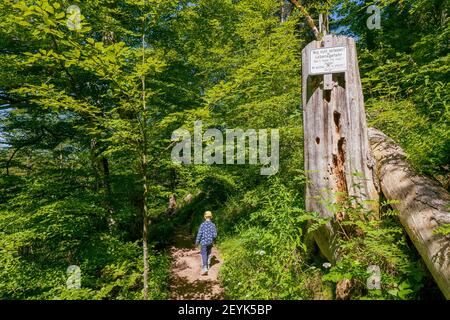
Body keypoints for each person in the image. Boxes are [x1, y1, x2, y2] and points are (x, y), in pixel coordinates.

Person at [195, 211, 217, 275]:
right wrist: (212, 239)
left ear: (205, 217)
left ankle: (204, 267)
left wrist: (197, 242)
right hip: (210, 242)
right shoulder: (213, 225)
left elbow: (199, 234)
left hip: (203, 242)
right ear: (211, 217)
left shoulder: (202, 225)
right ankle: (208, 265)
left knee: (203, 254)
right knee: (209, 253)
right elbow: (215, 235)